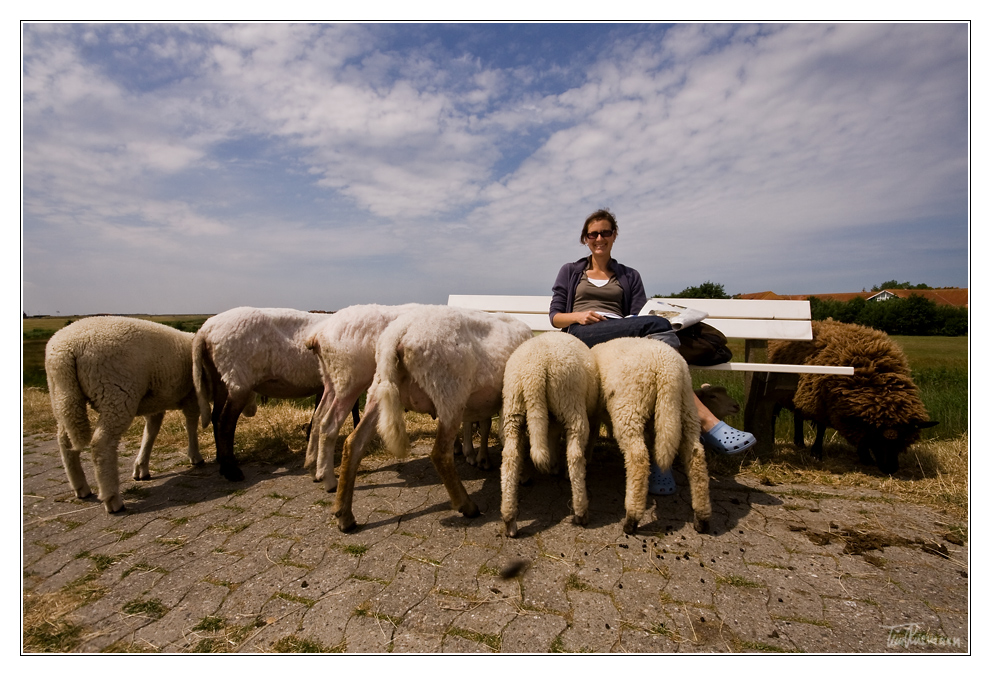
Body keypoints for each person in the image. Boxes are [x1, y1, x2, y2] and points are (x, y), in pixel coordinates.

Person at [549, 208, 756, 495]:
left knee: (657, 379)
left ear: (614, 236)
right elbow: (555, 316)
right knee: (657, 324)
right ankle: (706, 421)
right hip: (582, 333)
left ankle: (662, 464)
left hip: (623, 338)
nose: (599, 238)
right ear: (585, 239)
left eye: (605, 232)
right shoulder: (571, 271)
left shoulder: (629, 275)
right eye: (593, 233)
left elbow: (637, 316)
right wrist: (578, 317)